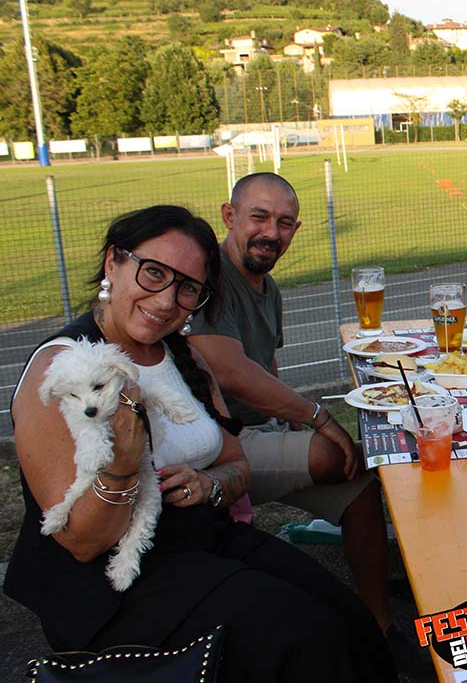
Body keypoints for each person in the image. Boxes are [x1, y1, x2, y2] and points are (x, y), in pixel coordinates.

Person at [4, 205, 396, 682]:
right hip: (113, 582)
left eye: (187, 287)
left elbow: (236, 464)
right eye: (153, 273)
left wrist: (210, 485)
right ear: (113, 263)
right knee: (308, 637)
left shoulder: (182, 355)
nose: (167, 300)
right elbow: (83, 543)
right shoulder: (65, 369)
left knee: (349, 617)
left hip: (202, 537)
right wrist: (125, 462)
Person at [185, 173, 425, 672]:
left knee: (361, 480)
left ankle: (378, 623)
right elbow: (229, 370)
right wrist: (316, 417)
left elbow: (265, 367)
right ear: (229, 216)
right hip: (215, 444)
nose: (271, 232)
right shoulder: (211, 278)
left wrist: (291, 419)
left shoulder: (267, 287)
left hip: (257, 431)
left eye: (285, 223)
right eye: (259, 217)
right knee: (347, 455)